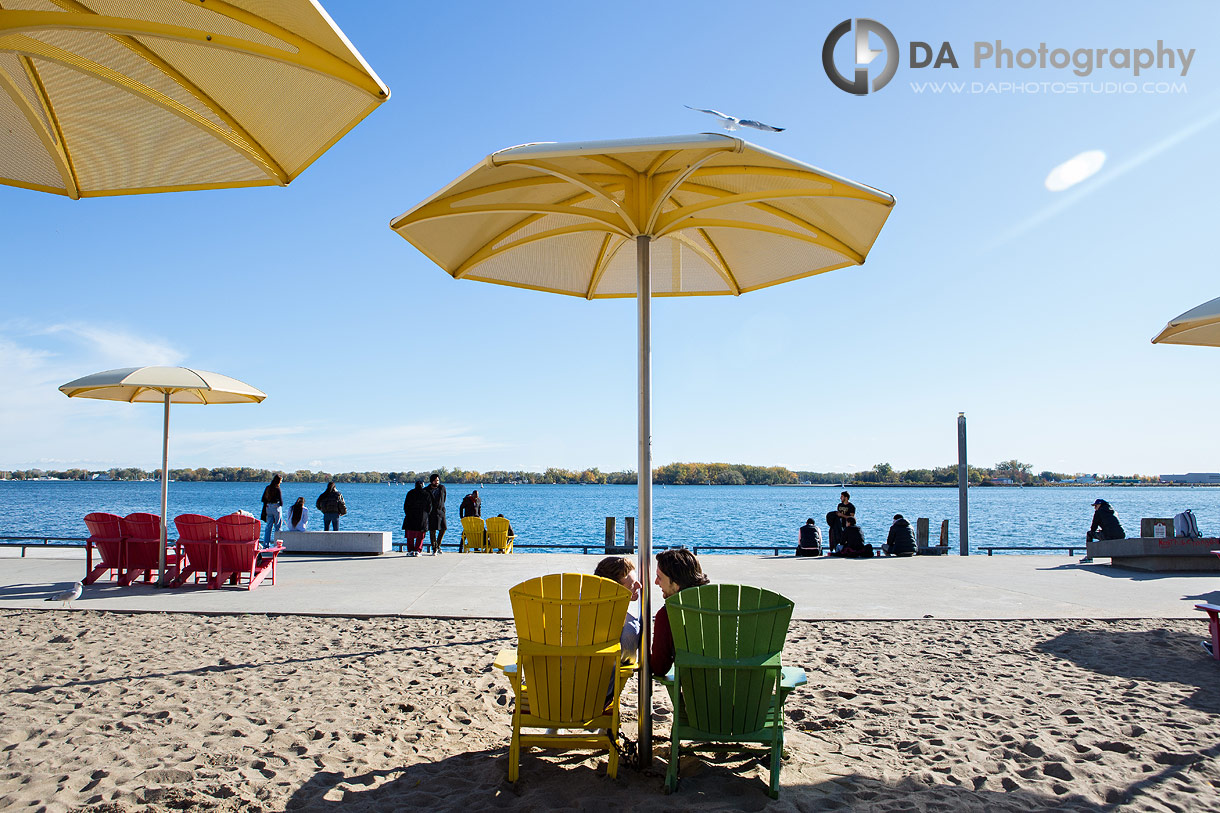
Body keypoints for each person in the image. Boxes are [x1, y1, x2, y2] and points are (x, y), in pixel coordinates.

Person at [650, 548, 711, 677]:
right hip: (747, 690)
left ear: (676, 583)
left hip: (697, 693)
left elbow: (659, 667)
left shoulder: (668, 615)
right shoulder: (721, 605)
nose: (656, 582)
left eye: (659, 577)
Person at [593, 556, 642, 662]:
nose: (639, 586)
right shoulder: (630, 626)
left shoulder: (578, 608)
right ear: (614, 590)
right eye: (632, 585)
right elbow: (627, 659)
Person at [401, 480, 431, 557]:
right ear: (423, 485)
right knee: (420, 536)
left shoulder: (410, 493)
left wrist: (408, 513)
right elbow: (429, 507)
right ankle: (418, 550)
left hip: (410, 517)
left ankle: (410, 550)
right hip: (422, 517)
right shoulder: (426, 494)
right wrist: (426, 515)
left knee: (410, 536)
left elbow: (405, 506)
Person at [426, 473, 447, 554]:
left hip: (441, 512)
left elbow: (444, 498)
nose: (437, 482)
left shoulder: (442, 488)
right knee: (432, 531)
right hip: (431, 513)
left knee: (443, 529)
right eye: (435, 481)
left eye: (438, 480)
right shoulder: (427, 490)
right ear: (431, 481)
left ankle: (438, 545)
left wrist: (441, 507)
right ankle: (434, 548)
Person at [260, 474, 283, 546]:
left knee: (268, 526)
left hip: (268, 507)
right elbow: (281, 502)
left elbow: (263, 499)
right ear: (279, 481)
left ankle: (266, 544)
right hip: (276, 507)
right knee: (277, 526)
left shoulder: (268, 488)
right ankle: (277, 544)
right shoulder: (277, 488)